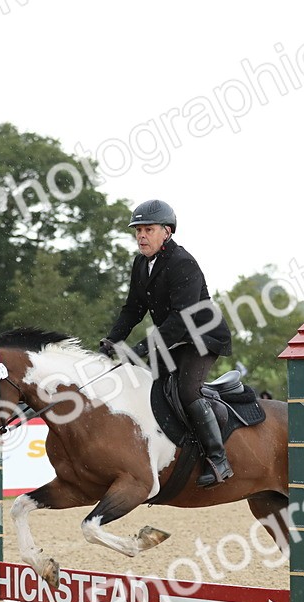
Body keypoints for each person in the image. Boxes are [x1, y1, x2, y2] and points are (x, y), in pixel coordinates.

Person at [99, 199, 233, 487]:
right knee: (150, 389)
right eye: (137, 231)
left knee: (186, 390)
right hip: (172, 339)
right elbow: (133, 309)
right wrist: (113, 339)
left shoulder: (183, 263)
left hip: (201, 337)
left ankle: (218, 458)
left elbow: (182, 319)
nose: (141, 236)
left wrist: (140, 349)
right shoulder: (140, 264)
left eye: (148, 229)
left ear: (167, 232)